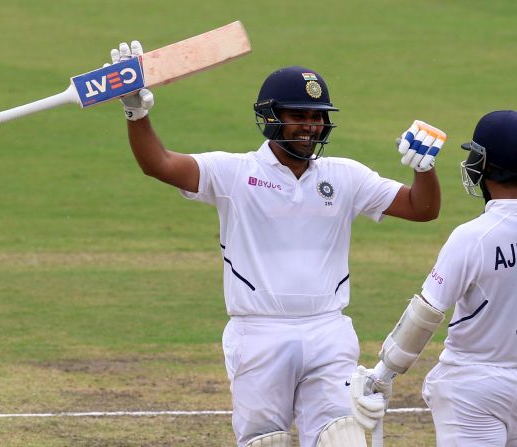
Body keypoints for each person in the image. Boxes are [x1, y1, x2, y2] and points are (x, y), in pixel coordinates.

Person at [109, 40, 447, 447]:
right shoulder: (233, 173)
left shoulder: (345, 176)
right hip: (259, 334)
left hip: (328, 329)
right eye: (298, 116)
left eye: (318, 117)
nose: (310, 126)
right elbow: (158, 163)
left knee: (344, 438)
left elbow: (421, 208)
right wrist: (136, 112)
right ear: (270, 118)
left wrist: (424, 169)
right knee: (265, 441)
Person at [350, 67, 517, 446]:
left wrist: (384, 372)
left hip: (473, 385)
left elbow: (426, 313)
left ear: (483, 166)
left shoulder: (472, 238)